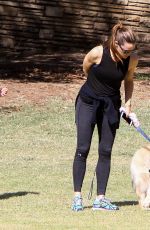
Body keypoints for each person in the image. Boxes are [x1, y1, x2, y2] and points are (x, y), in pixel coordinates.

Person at [72, 22, 138, 211]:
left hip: (110, 106)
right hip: (88, 102)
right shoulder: (98, 52)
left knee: (106, 150)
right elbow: (86, 68)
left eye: (131, 51)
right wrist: (96, 89)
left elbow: (129, 79)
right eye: (125, 51)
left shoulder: (132, 59)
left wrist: (128, 104)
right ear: (116, 44)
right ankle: (77, 197)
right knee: (82, 148)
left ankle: (100, 199)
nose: (128, 54)